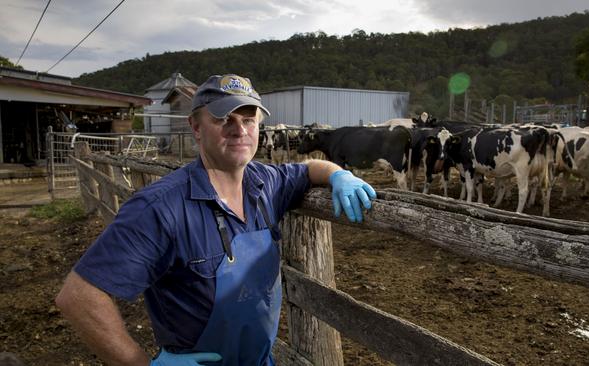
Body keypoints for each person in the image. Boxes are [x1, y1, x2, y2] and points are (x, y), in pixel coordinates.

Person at [55, 74, 376, 366]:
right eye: (224, 118)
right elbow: (79, 296)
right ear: (196, 127)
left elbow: (307, 169)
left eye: (249, 120)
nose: (239, 130)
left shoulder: (265, 182)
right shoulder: (160, 208)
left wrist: (339, 175)